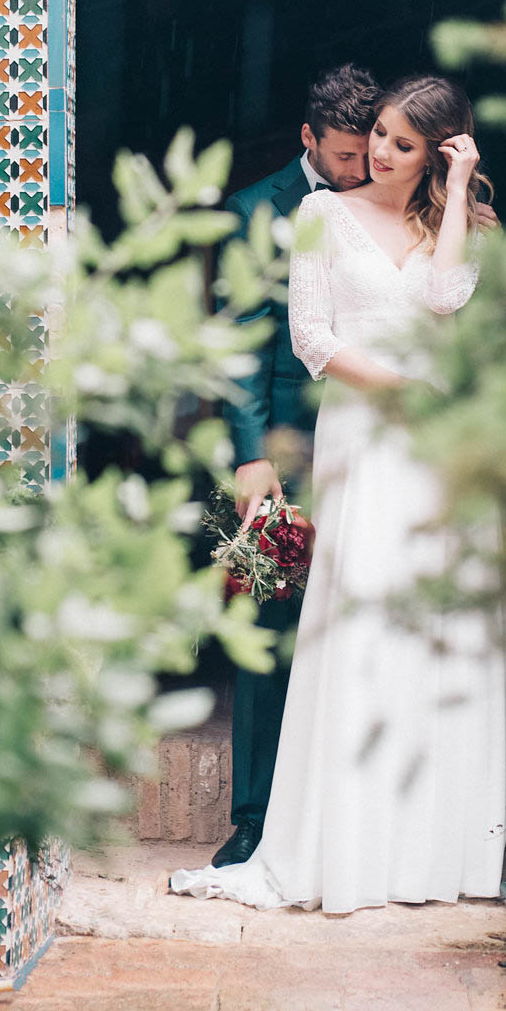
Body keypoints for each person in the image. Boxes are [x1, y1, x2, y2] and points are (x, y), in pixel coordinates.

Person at [172, 74, 506, 912]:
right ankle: (290, 827)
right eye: (371, 143)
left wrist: (461, 190)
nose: (379, 158)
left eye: (400, 144)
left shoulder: (449, 221)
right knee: (320, 622)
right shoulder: (313, 214)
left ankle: (427, 848)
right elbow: (299, 335)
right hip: (345, 438)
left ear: (434, 150)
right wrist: (259, 452)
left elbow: (444, 299)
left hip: (437, 452)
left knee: (435, 620)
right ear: (314, 139)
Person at [212, 63, 381, 869]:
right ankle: (253, 818)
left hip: (371, 451)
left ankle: (351, 822)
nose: (358, 172)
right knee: (268, 626)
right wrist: (249, 455)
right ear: (309, 139)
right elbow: (237, 345)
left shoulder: (387, 204)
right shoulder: (257, 208)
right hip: (284, 454)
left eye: (367, 155)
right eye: (345, 157)